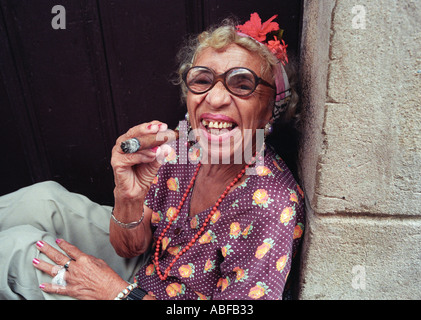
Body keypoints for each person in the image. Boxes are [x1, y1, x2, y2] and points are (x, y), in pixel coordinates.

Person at [0, 13, 304, 300]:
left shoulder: (272, 206)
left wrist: (116, 292)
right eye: (202, 80)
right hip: (150, 267)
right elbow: (130, 247)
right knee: (42, 200)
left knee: (19, 251)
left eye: (242, 84)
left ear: (270, 110)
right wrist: (128, 196)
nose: (215, 97)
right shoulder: (188, 145)